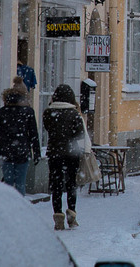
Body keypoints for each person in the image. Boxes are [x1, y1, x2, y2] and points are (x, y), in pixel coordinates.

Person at [43, 84, 85, 231]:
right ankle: (71, 216)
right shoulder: (74, 114)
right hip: (71, 154)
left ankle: (58, 217)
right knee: (71, 183)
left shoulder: (48, 112)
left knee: (56, 185)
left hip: (54, 153)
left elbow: (48, 128)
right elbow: (79, 135)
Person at [0, 85, 41, 195]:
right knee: (20, 183)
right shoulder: (28, 111)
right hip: (22, 151)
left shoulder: (3, 111)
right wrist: (36, 152)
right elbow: (33, 134)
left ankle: (8, 206)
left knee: (8, 182)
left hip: (6, 152)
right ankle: (19, 207)